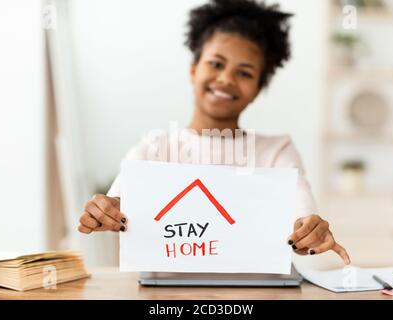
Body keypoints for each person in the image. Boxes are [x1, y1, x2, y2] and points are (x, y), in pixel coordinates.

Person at [78, 0, 351, 265]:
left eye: (244, 73)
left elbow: (302, 218)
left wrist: (311, 231)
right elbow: (116, 205)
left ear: (257, 90)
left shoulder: (277, 152)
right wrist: (103, 212)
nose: (226, 79)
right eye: (216, 64)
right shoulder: (153, 149)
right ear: (194, 70)